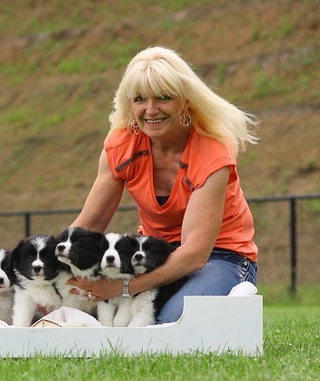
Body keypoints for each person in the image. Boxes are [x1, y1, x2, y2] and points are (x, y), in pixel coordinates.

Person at [69, 46, 259, 324]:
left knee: (170, 321)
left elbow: (195, 254)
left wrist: (124, 288)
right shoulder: (120, 145)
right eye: (139, 99)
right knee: (72, 307)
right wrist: (55, 275)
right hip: (151, 255)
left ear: (185, 101)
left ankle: (236, 297)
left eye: (163, 98)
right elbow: (89, 225)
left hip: (220, 257)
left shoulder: (213, 152)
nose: (150, 110)